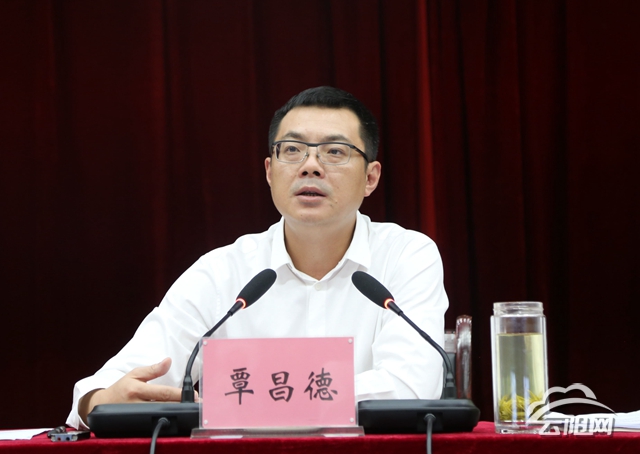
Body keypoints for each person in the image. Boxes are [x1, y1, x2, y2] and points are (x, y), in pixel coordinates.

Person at [67, 86, 449, 429]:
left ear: (371, 178)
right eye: (292, 150)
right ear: (269, 171)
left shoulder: (406, 256)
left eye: (335, 152)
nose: (310, 166)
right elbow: (112, 385)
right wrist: (96, 401)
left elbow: (410, 387)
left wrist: (238, 402)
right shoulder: (223, 272)